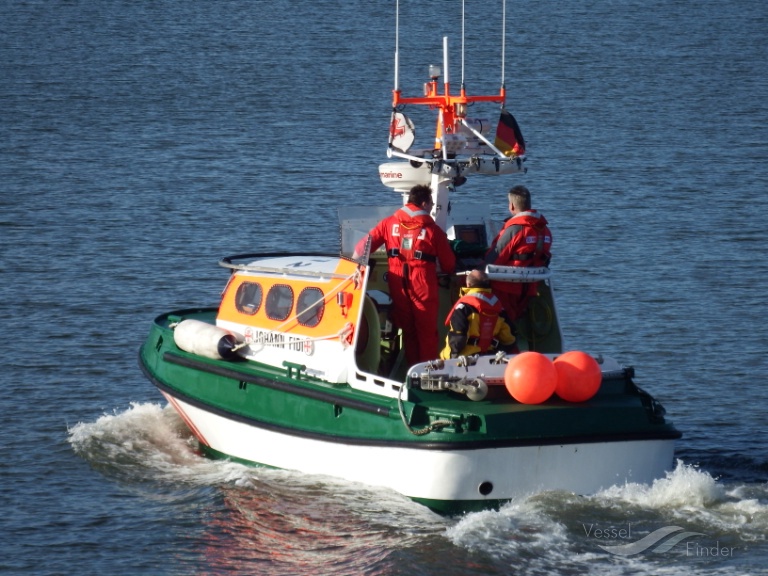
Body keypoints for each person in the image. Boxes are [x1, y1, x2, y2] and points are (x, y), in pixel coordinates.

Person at [356, 184, 456, 365]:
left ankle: (411, 370)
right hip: (422, 283)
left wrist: (356, 267)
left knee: (408, 330)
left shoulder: (388, 223)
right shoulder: (433, 231)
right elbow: (449, 264)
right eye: (431, 204)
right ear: (424, 203)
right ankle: (426, 374)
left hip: (397, 280)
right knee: (426, 333)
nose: (432, 208)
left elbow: (361, 248)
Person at [485, 185, 552, 320]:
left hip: (506, 287)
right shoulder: (545, 231)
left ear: (512, 206)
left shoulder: (514, 230)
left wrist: (476, 268)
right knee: (515, 322)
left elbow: (496, 258)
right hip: (530, 287)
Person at [440, 269, 517, 359]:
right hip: (490, 357)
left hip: (466, 361)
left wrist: (449, 358)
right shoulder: (499, 308)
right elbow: (509, 339)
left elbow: (458, 336)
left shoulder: (463, 307)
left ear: (468, 284)